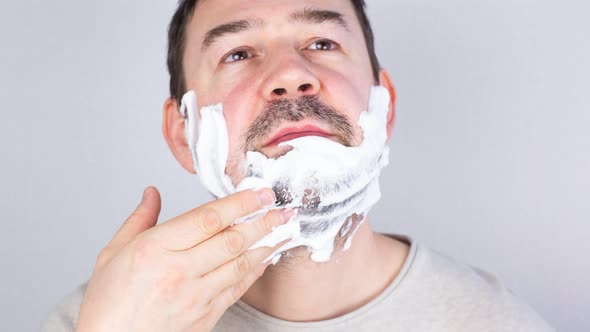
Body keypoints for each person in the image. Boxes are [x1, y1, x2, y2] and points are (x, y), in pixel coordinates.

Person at [42, 0, 554, 331]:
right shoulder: (101, 320)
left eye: (322, 43)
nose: (290, 74)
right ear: (184, 133)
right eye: (239, 52)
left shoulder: (497, 323)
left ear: (384, 105)